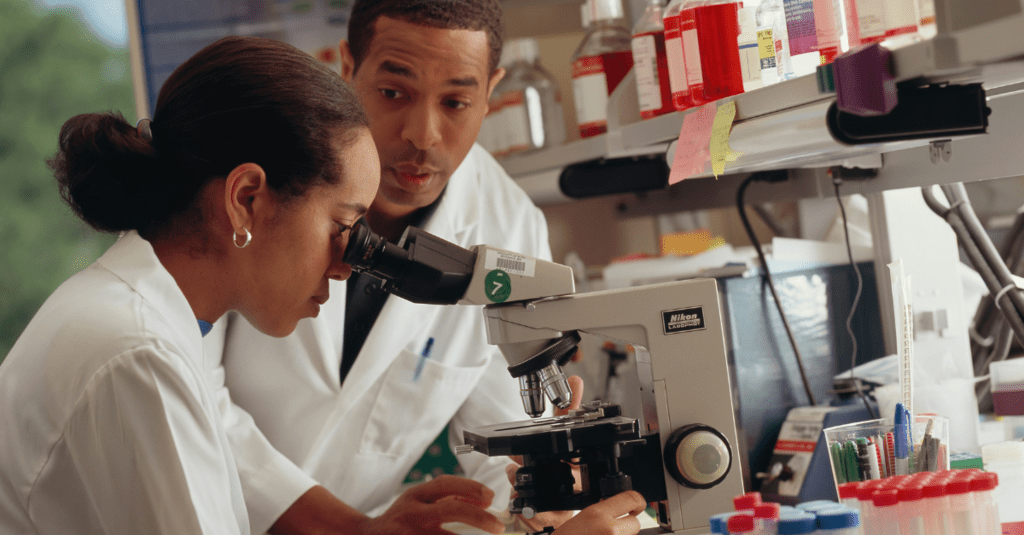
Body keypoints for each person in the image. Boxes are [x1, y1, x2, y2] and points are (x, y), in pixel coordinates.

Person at [203, 1, 639, 534]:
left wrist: (549, 493)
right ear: (347, 68)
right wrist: (347, 527)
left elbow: (506, 444)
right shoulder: (259, 181)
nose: (423, 134)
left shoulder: (509, 228)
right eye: (393, 93)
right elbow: (188, 393)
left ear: (490, 91)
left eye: (456, 101)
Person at [0, 36, 382, 533]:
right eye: (340, 228)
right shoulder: (138, 353)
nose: (346, 266)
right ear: (246, 199)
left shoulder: (140, 316)